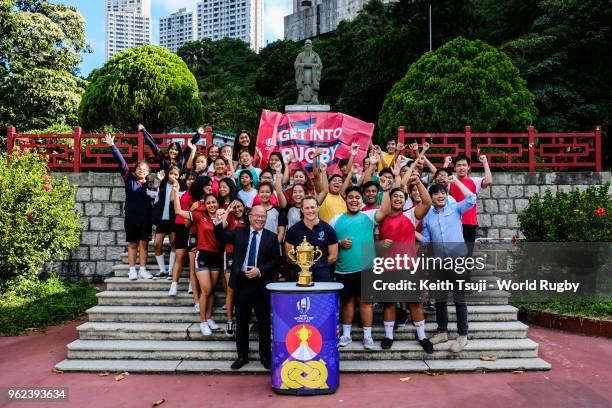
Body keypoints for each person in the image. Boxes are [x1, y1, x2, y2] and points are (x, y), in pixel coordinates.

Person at [214, 205, 280, 370]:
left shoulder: (271, 237)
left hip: (261, 283)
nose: (260, 219)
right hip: (242, 282)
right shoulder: (239, 232)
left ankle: (265, 357)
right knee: (241, 322)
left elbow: (275, 261)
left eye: (263, 216)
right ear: (250, 216)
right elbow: (221, 236)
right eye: (257, 216)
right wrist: (223, 217)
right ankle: (242, 357)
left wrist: (260, 270)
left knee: (264, 322)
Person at [329, 186, 390, 350]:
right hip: (343, 269)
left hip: (366, 268)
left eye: (357, 197)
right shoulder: (335, 219)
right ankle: (346, 335)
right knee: (347, 303)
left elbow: (386, 209)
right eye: (350, 197)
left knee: (366, 303)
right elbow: (329, 243)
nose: (354, 200)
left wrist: (385, 190)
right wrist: (340, 243)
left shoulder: (369, 216)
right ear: (346, 200)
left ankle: (367, 336)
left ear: (361, 200)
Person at [421, 176, 478, 353]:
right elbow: (425, 240)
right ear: (431, 197)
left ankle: (462, 335)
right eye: (436, 193)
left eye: (443, 192)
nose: (440, 195)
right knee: (440, 300)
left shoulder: (455, 209)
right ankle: (442, 331)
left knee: (459, 299)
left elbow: (472, 199)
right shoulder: (428, 217)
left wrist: (456, 182)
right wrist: (409, 231)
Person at [377, 181, 433, 352]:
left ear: (405, 201)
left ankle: (422, 337)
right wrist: (379, 244)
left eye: (401, 196)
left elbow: (427, 202)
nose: (398, 199)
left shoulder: (411, 215)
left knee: (415, 304)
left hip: (409, 266)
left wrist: (416, 182)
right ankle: (388, 336)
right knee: (389, 304)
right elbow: (373, 244)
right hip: (388, 267)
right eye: (395, 196)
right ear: (390, 200)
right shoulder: (380, 218)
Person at [172, 185, 222, 336]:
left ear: (217, 203)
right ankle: (203, 322)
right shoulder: (200, 216)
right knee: (206, 289)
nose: (212, 205)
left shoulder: (222, 216)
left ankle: (209, 317)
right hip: (202, 256)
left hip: (216, 256)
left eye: (214, 202)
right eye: (208, 203)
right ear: (204, 205)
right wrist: (175, 192)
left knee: (211, 290)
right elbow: (178, 212)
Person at [104, 134, 154, 280]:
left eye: (144, 169)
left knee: (144, 245)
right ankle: (132, 270)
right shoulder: (129, 179)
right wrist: (113, 146)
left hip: (146, 218)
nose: (141, 171)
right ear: (135, 170)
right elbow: (122, 163)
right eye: (139, 168)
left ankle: (143, 270)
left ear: (148, 172)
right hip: (131, 217)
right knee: (133, 244)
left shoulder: (151, 185)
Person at [285, 196, 338, 282]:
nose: (310, 211)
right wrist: (303, 267)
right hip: (300, 275)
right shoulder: (293, 230)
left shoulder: (328, 229)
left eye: (312, 207)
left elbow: (333, 256)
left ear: (318, 208)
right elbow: (289, 254)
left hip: (322, 276)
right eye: (307, 208)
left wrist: (318, 266)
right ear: (302, 210)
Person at [216, 199, 247, 337]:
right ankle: (229, 320)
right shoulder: (229, 217)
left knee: (243, 289)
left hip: (244, 257)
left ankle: (241, 319)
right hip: (229, 255)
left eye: (239, 206)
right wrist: (228, 210)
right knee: (231, 290)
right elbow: (221, 228)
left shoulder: (248, 219)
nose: (237, 209)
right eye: (235, 207)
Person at [450, 153, 493, 245]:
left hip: (469, 222)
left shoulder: (474, 181)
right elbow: (439, 179)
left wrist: (485, 162)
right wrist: (445, 164)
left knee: (468, 255)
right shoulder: (450, 181)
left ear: (468, 167)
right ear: (454, 168)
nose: (461, 168)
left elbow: (488, 181)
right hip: (452, 222)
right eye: (459, 165)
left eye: (464, 165)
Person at [169, 171, 198, 297]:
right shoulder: (181, 192)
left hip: (194, 227)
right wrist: (175, 188)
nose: (191, 181)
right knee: (180, 255)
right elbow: (173, 203)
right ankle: (174, 284)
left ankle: (192, 283)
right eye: (189, 179)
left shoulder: (200, 195)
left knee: (193, 258)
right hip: (180, 225)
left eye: (193, 179)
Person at [150, 166, 180, 279]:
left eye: (176, 174)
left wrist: (176, 185)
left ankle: (170, 270)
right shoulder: (162, 184)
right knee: (157, 244)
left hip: (174, 219)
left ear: (179, 176)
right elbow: (151, 194)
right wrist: (158, 180)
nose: (173, 175)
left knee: (173, 244)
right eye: (171, 173)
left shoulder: (179, 186)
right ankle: (162, 270)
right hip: (161, 219)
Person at [294, 39, 322, 104]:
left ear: (312, 46)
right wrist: (305, 65)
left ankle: (314, 96)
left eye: (309, 44)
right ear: (304, 46)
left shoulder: (315, 55)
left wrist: (313, 66)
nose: (308, 45)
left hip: (313, 75)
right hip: (302, 75)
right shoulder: (300, 55)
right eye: (306, 44)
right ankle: (301, 95)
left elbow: (319, 65)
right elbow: (296, 64)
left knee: (312, 75)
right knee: (303, 83)